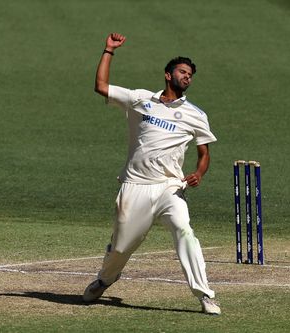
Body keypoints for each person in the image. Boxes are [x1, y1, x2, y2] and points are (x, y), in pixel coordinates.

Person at [82, 33, 220, 315]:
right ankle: (106, 279)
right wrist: (109, 51)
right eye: (183, 72)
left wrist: (198, 173)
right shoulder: (140, 100)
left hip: (170, 187)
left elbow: (204, 154)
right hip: (135, 186)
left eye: (190, 75)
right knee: (121, 247)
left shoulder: (195, 114)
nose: (187, 77)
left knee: (184, 229)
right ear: (168, 75)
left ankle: (205, 295)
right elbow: (101, 86)